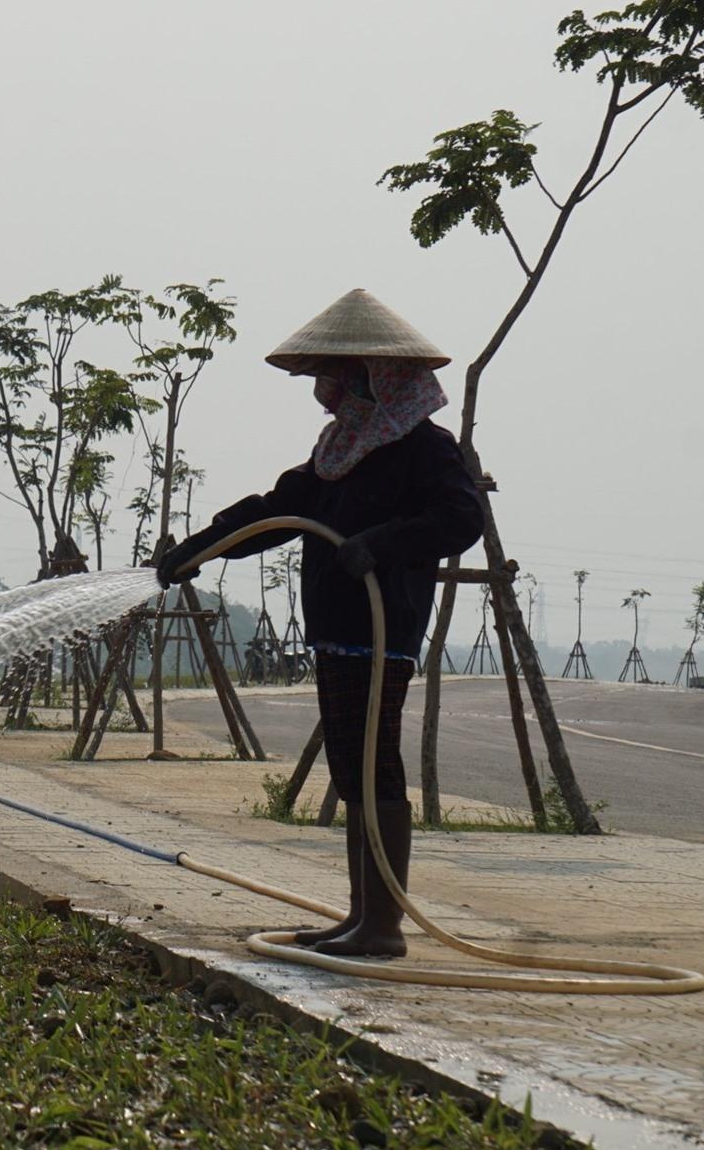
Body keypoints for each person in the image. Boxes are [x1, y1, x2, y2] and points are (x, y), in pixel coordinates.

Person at [156, 289, 485, 958]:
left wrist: (383, 542)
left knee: (373, 763)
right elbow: (274, 511)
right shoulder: (340, 450)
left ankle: (384, 925)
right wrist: (199, 549)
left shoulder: (425, 447)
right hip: (336, 626)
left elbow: (461, 520)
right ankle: (362, 913)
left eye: (337, 375)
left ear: (377, 376)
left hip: (383, 625)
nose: (326, 390)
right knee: (348, 762)